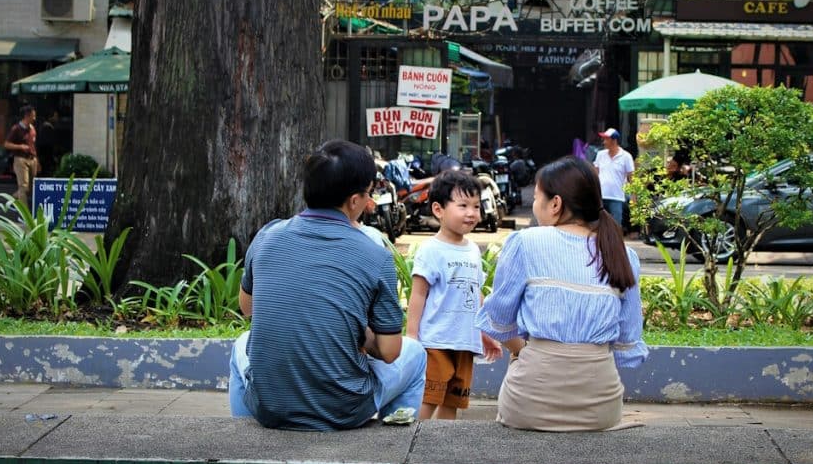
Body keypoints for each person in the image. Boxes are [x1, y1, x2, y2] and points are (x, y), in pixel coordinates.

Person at [228, 139, 427, 431]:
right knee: (417, 354)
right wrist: (363, 336)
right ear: (354, 200)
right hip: (344, 410)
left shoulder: (268, 235)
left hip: (269, 408)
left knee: (240, 344)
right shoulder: (375, 255)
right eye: (368, 194)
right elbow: (390, 351)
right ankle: (392, 446)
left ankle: (244, 437)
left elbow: (247, 309)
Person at [475, 155, 647, 432]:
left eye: (536, 197)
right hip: (600, 407)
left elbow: (498, 320)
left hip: (529, 403)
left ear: (555, 204)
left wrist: (527, 352)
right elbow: (628, 343)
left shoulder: (526, 242)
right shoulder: (623, 254)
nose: (533, 205)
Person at [406, 170, 502, 420]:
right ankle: (414, 446)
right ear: (438, 210)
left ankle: (439, 450)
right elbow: (418, 295)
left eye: (476, 206)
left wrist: (485, 332)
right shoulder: (431, 250)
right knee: (429, 398)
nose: (472, 213)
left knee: (453, 401)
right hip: (436, 341)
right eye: (462, 206)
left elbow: (474, 292)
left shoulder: (472, 250)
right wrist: (412, 337)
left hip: (465, 341)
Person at [593, 127, 634, 227]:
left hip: (616, 197)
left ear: (614, 140)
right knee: (598, 225)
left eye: (606, 139)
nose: (604, 142)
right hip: (601, 196)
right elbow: (595, 173)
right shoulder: (600, 155)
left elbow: (631, 177)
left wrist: (634, 196)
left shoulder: (626, 156)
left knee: (615, 226)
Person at [3, 105, 39, 205]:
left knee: (31, 187)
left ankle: (12, 199)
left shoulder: (32, 129)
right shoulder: (16, 129)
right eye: (33, 116)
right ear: (27, 116)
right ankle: (24, 215)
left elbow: (33, 145)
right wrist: (20, 147)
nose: (34, 118)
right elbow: (6, 144)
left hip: (32, 159)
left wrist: (37, 160)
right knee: (23, 187)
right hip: (20, 159)